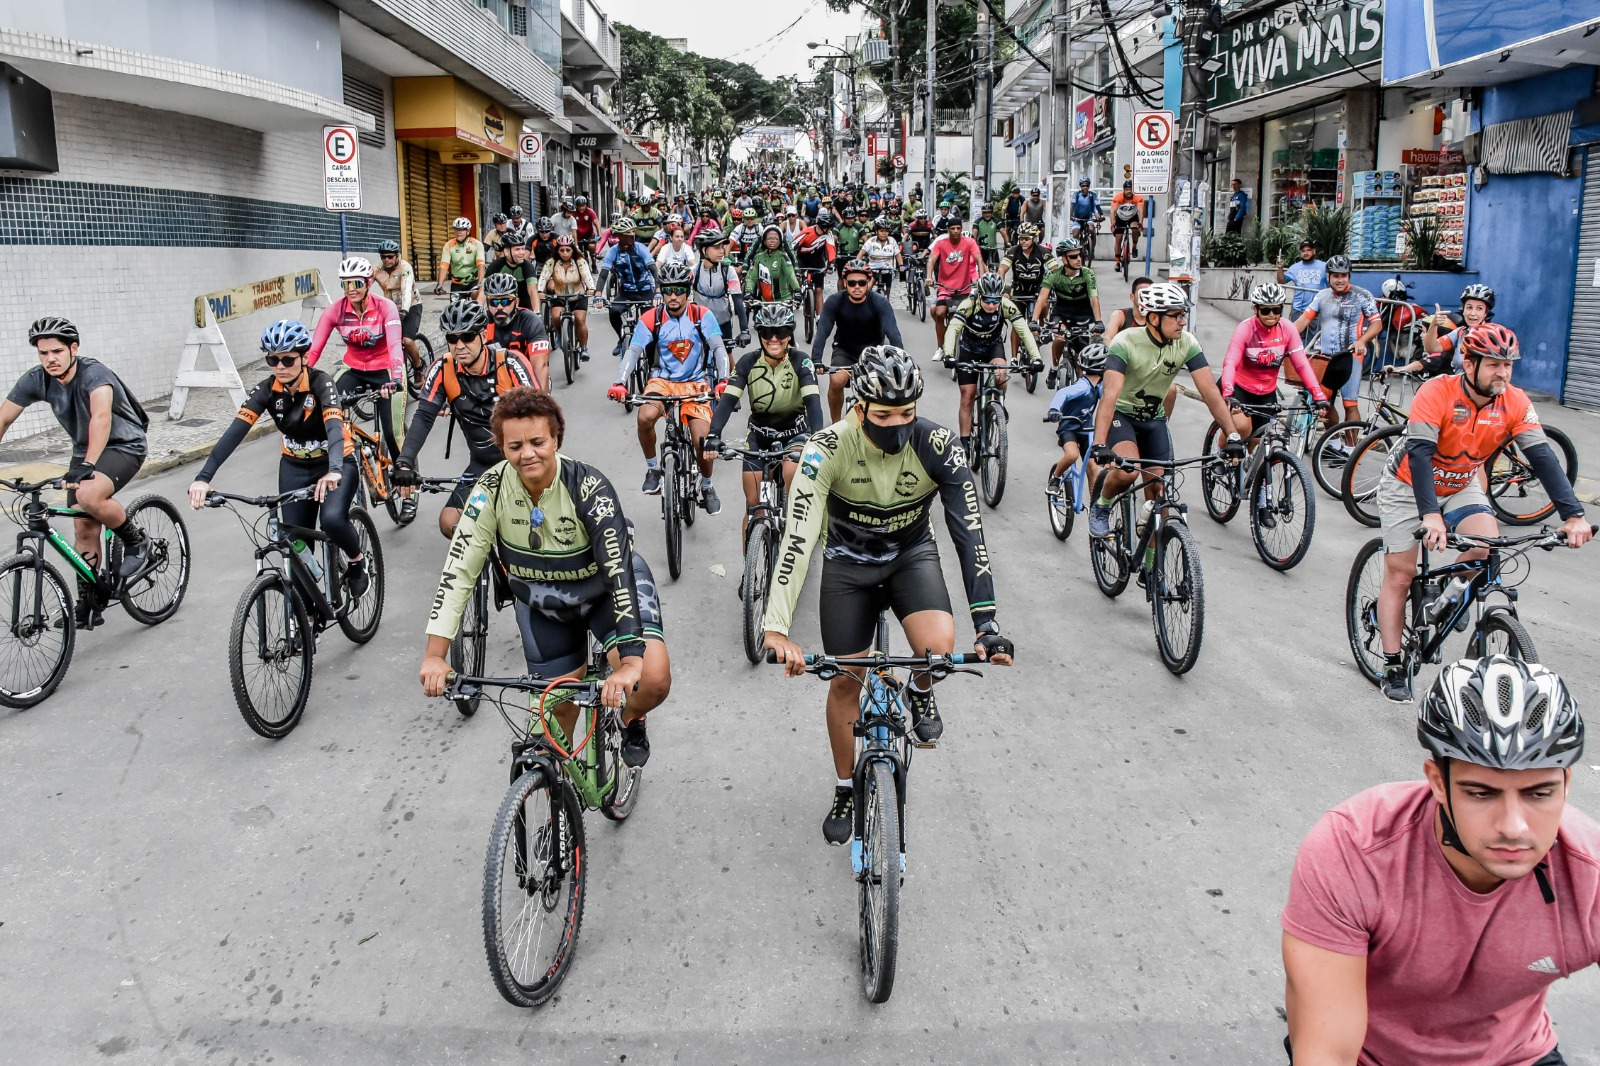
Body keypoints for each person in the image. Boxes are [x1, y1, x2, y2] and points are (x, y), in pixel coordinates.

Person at [1281, 654, 1599, 1066]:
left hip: (1516, 1056)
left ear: (1566, 783)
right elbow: (1326, 1052)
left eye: (1539, 793)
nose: (1514, 827)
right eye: (1481, 793)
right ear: (1438, 783)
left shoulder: (1589, 873)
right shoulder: (1353, 852)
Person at [761, 346, 1014, 844]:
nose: (897, 426)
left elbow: (969, 531)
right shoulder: (826, 447)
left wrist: (988, 623)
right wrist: (776, 626)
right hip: (848, 566)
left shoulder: (938, 444)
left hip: (909, 556)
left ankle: (919, 692)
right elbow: (799, 535)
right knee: (844, 681)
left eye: (907, 413)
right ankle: (843, 787)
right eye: (883, 415)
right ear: (858, 408)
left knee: (937, 649)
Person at [418, 389, 669, 767]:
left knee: (651, 678)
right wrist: (436, 656)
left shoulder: (588, 487)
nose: (527, 453)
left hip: (605, 594)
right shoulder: (489, 490)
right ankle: (556, 808)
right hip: (543, 605)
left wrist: (632, 662)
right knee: (551, 732)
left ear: (556, 440)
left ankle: (631, 718)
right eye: (515, 445)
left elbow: (618, 575)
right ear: (501, 446)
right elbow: (459, 571)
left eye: (538, 442)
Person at [1370, 323, 1589, 702]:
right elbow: (1420, 453)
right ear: (1468, 363)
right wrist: (1430, 515)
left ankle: (1447, 596)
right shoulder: (1436, 391)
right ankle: (1392, 662)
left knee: (1485, 546)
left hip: (1461, 481)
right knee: (1402, 572)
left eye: (1508, 365)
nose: (1503, 373)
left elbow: (1542, 457)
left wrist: (1573, 515)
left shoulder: (1516, 401)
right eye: (1493, 365)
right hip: (1408, 482)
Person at [188, 320, 368, 597]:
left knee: (331, 520)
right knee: (294, 544)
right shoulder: (266, 390)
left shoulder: (322, 383)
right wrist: (203, 478)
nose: (280, 366)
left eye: (287, 359)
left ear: (304, 357)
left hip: (335, 461)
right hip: (294, 466)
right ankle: (308, 619)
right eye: (273, 359)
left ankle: (356, 562)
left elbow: (334, 428)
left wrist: (333, 470)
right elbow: (234, 433)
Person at [0, 317, 150, 628]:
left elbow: (101, 418)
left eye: (56, 351)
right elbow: (3, 419)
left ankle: (137, 543)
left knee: (89, 494)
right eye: (43, 354)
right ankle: (91, 601)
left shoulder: (95, 374)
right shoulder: (37, 379)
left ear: (74, 349)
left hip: (124, 446)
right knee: (82, 525)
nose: (50, 359)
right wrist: (85, 461)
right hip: (86, 453)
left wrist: (88, 465)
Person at [1088, 282, 1242, 538]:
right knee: (1128, 472)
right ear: (1154, 317)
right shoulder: (1125, 342)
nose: (1183, 321)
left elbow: (1210, 393)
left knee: (1158, 497)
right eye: (1176, 315)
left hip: (1153, 420)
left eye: (1184, 314)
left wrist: (1233, 435)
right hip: (1122, 417)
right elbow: (1110, 396)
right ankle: (1102, 505)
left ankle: (1151, 570)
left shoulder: (1186, 343)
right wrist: (1100, 444)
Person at [392, 300, 540, 535]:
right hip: (482, 471)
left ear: (483, 334)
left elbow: (541, 416)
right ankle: (485, 566)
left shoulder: (510, 362)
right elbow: (423, 417)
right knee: (451, 521)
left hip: (526, 462)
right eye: (452, 339)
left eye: (468, 337)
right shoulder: (443, 369)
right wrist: (404, 462)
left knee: (534, 529)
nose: (459, 345)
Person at [606, 260, 729, 515]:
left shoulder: (701, 315)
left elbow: (718, 348)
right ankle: (653, 468)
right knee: (645, 417)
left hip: (696, 382)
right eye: (668, 290)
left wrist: (724, 380)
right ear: (661, 291)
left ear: (688, 290)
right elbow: (634, 350)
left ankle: (707, 485)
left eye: (679, 290)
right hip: (662, 381)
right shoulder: (652, 317)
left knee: (701, 440)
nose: (673, 296)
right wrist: (619, 382)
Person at [701, 302, 826, 545]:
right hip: (759, 435)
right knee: (753, 504)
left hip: (796, 434)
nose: (774, 338)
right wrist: (714, 434)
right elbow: (727, 400)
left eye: (781, 332)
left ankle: (796, 531)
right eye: (767, 332)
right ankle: (749, 574)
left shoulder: (801, 361)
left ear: (790, 334)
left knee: (791, 472)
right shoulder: (748, 362)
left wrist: (817, 438)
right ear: (760, 335)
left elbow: (813, 401)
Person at [1219, 283, 1331, 522]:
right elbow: (1231, 361)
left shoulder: (1288, 329)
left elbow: (1301, 365)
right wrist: (1228, 392)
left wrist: (1319, 396)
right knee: (1242, 428)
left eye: (1276, 310)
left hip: (1266, 392)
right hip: (1239, 388)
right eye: (1265, 310)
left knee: (1263, 447)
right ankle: (1221, 455)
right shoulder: (1245, 329)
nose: (1271, 315)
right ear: (1255, 309)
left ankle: (1262, 504)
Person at [306, 256, 404, 461]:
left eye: (356, 283)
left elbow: (395, 345)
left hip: (385, 370)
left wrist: (396, 378)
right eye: (345, 283)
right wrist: (302, 378)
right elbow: (314, 349)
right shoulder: (335, 310)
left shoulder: (385, 307)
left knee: (392, 432)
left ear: (368, 283)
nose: (350, 289)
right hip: (353, 369)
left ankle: (404, 474)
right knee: (329, 412)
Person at [942, 271, 1042, 456]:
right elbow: (953, 329)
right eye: (987, 300)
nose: (991, 304)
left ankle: (999, 406)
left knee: (1001, 374)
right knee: (968, 394)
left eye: (995, 300)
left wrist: (1035, 357)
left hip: (992, 347)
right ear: (979, 295)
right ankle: (965, 441)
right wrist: (948, 354)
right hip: (969, 349)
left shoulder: (1006, 306)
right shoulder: (968, 304)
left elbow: (1024, 331)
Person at [1292, 254, 1381, 433]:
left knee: (1350, 405)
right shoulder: (1321, 296)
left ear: (1349, 275)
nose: (1340, 279)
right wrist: (1284, 338)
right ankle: (1332, 443)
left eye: (1343, 275)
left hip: (1351, 358)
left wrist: (1362, 340)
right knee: (1324, 403)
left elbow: (1377, 323)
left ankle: (1350, 450)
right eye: (1335, 275)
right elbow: (1302, 322)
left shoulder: (1362, 295)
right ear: (1328, 277)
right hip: (1326, 358)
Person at [813, 258, 904, 422]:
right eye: (852, 282)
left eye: (862, 283)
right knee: (836, 381)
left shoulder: (880, 302)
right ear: (844, 282)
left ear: (870, 282)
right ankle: (836, 424)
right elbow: (822, 332)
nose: (857, 287)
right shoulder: (834, 301)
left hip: (873, 352)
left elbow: (893, 333)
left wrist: (900, 361)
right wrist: (816, 360)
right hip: (845, 350)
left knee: (884, 388)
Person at [1032, 238, 1103, 389]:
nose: (1079, 259)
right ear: (1064, 259)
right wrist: (1034, 321)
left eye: (1080, 255)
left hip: (1083, 315)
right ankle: (1055, 367)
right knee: (1059, 338)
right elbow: (1041, 298)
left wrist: (1098, 322)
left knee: (1080, 358)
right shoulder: (1054, 275)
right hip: (1062, 313)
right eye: (1073, 256)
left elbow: (1093, 298)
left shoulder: (1087, 274)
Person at [1389, 283, 1496, 378]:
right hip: (1458, 391)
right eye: (1469, 307)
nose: (1473, 313)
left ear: (1486, 313)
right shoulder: (1460, 332)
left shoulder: (1493, 336)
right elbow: (1432, 348)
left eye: (1479, 308)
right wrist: (1434, 324)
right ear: (1463, 310)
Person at [1045, 341, 1106, 506]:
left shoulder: (1099, 387)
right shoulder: (1083, 386)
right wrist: (1054, 410)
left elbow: (1110, 401)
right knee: (1072, 455)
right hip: (1069, 428)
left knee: (1093, 466)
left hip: (1087, 430)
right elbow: (1063, 393)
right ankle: (1055, 478)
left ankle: (1095, 504)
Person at [594, 217, 658, 357]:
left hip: (646, 291)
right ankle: (621, 338)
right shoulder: (613, 252)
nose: (632, 236)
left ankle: (652, 366)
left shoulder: (640, 249)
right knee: (613, 311)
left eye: (633, 233)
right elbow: (604, 274)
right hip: (626, 292)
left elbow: (654, 270)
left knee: (651, 329)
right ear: (620, 236)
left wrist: (658, 291)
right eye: (628, 234)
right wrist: (598, 294)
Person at [482, 271, 551, 391]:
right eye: (493, 302)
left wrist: (539, 403)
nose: (499, 307)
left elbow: (540, 367)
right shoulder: (482, 323)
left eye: (505, 301)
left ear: (516, 302)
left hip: (528, 377)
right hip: (493, 379)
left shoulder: (531, 321)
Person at [925, 217, 984, 359]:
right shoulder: (941, 243)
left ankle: (963, 343)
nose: (956, 231)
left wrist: (981, 278)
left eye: (958, 228)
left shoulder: (969, 242)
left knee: (960, 318)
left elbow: (979, 260)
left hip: (965, 289)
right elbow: (931, 260)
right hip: (945, 288)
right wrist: (929, 276)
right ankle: (940, 347)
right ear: (948, 230)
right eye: (953, 229)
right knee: (939, 313)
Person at [371, 239, 424, 385]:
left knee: (407, 340)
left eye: (390, 256)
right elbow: (365, 286)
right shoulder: (376, 268)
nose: (386, 260)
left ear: (397, 256)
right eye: (383, 257)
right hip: (390, 307)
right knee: (379, 338)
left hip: (411, 306)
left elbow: (406, 290)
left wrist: (404, 310)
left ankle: (418, 368)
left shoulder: (405, 268)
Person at [537, 235, 596, 362]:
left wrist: (591, 288)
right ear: (557, 250)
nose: (565, 253)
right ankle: (560, 333)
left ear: (573, 250)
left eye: (568, 250)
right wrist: (540, 291)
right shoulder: (551, 262)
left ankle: (584, 347)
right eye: (562, 250)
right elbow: (544, 276)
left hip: (578, 296)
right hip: (559, 296)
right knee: (556, 317)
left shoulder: (580, 261)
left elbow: (586, 274)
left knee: (580, 320)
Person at [689, 228, 750, 351]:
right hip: (699, 322)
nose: (722, 251)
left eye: (722, 247)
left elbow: (738, 301)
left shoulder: (728, 270)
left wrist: (745, 330)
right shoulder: (693, 271)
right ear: (704, 250)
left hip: (723, 322)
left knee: (727, 357)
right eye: (717, 248)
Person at [998, 223, 1048, 361]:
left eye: (1026, 238)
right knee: (1017, 322)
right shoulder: (1013, 251)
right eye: (1021, 238)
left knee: (1046, 303)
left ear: (1034, 238)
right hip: (1019, 290)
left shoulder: (1043, 251)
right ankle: (1014, 358)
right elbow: (1002, 269)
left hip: (1037, 289)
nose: (1023, 241)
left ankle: (1042, 326)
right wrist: (1002, 288)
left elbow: (1054, 269)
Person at [793, 211, 837, 323]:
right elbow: (792, 246)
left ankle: (819, 317)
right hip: (802, 259)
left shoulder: (828, 234)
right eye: (827, 227)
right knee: (797, 274)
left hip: (818, 261)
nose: (829, 230)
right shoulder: (807, 232)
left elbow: (831, 249)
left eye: (830, 227)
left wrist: (831, 264)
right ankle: (797, 291)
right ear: (821, 226)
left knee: (818, 290)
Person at [744, 224, 801, 304]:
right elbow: (751, 278)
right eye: (770, 238)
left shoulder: (783, 257)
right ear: (764, 241)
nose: (773, 240)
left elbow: (791, 275)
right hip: (763, 303)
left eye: (776, 238)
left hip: (783, 302)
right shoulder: (758, 258)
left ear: (780, 242)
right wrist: (748, 292)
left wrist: (797, 290)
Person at [437, 217, 487, 301]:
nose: (458, 232)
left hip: (474, 282)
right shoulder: (449, 245)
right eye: (456, 229)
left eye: (461, 230)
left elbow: (481, 265)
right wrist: (440, 284)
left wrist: (479, 283)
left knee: (476, 300)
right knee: (454, 309)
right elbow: (444, 266)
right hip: (457, 283)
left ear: (468, 231)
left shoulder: (477, 244)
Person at [1276, 240, 1326, 319]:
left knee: (1316, 332)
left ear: (1314, 251)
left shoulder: (1324, 266)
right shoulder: (1294, 267)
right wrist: (1280, 268)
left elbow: (1331, 285)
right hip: (1298, 309)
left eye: (1308, 250)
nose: (1306, 253)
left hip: (1317, 309)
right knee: (1295, 331)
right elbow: (1281, 281)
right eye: (1303, 251)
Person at [490, 235, 538, 312]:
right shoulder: (496, 266)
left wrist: (537, 311)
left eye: (523, 249)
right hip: (503, 306)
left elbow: (533, 291)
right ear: (506, 251)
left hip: (524, 306)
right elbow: (482, 291)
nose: (522, 252)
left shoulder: (528, 266)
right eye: (517, 249)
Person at [860, 218, 903, 300]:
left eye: (886, 231)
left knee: (888, 289)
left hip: (887, 270)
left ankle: (887, 300)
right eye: (882, 231)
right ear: (877, 231)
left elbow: (898, 255)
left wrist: (901, 266)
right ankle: (865, 300)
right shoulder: (871, 241)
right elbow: (861, 254)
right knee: (869, 286)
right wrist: (857, 264)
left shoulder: (892, 241)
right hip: (873, 270)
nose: (884, 233)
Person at [1108, 181, 1145, 263]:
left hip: (1132, 217)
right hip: (1120, 218)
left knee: (1135, 228)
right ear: (1124, 190)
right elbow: (1113, 211)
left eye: (1131, 189)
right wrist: (1112, 224)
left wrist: (1141, 223)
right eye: (1127, 189)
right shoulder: (1118, 197)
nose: (1129, 191)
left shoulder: (1137, 197)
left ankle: (1134, 246)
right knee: (1118, 238)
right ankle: (1117, 260)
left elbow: (1141, 211)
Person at [1070, 178, 1102, 247]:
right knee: (1075, 234)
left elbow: (1097, 207)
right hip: (1077, 219)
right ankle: (1075, 249)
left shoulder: (1092, 195)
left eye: (1087, 186)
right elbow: (1072, 205)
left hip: (1088, 218)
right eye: (1083, 186)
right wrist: (1070, 216)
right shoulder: (1076, 194)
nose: (1085, 187)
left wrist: (1099, 218)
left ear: (1089, 186)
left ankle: (1092, 250)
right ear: (1080, 186)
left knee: (1092, 230)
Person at [972, 203, 1003, 268]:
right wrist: (974, 243)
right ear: (982, 213)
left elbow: (1003, 231)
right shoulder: (977, 221)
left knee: (997, 267)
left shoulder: (996, 221)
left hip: (993, 248)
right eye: (985, 213)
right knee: (980, 267)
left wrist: (1007, 242)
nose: (987, 215)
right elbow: (974, 232)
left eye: (989, 213)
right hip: (981, 248)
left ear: (992, 213)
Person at [572, 195, 600, 262]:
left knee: (592, 247)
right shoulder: (573, 213)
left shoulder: (590, 211)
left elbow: (596, 223)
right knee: (578, 253)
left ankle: (594, 263)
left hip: (589, 234)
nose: (581, 208)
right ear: (576, 206)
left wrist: (599, 234)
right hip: (578, 236)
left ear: (586, 205)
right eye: (579, 206)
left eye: (583, 206)